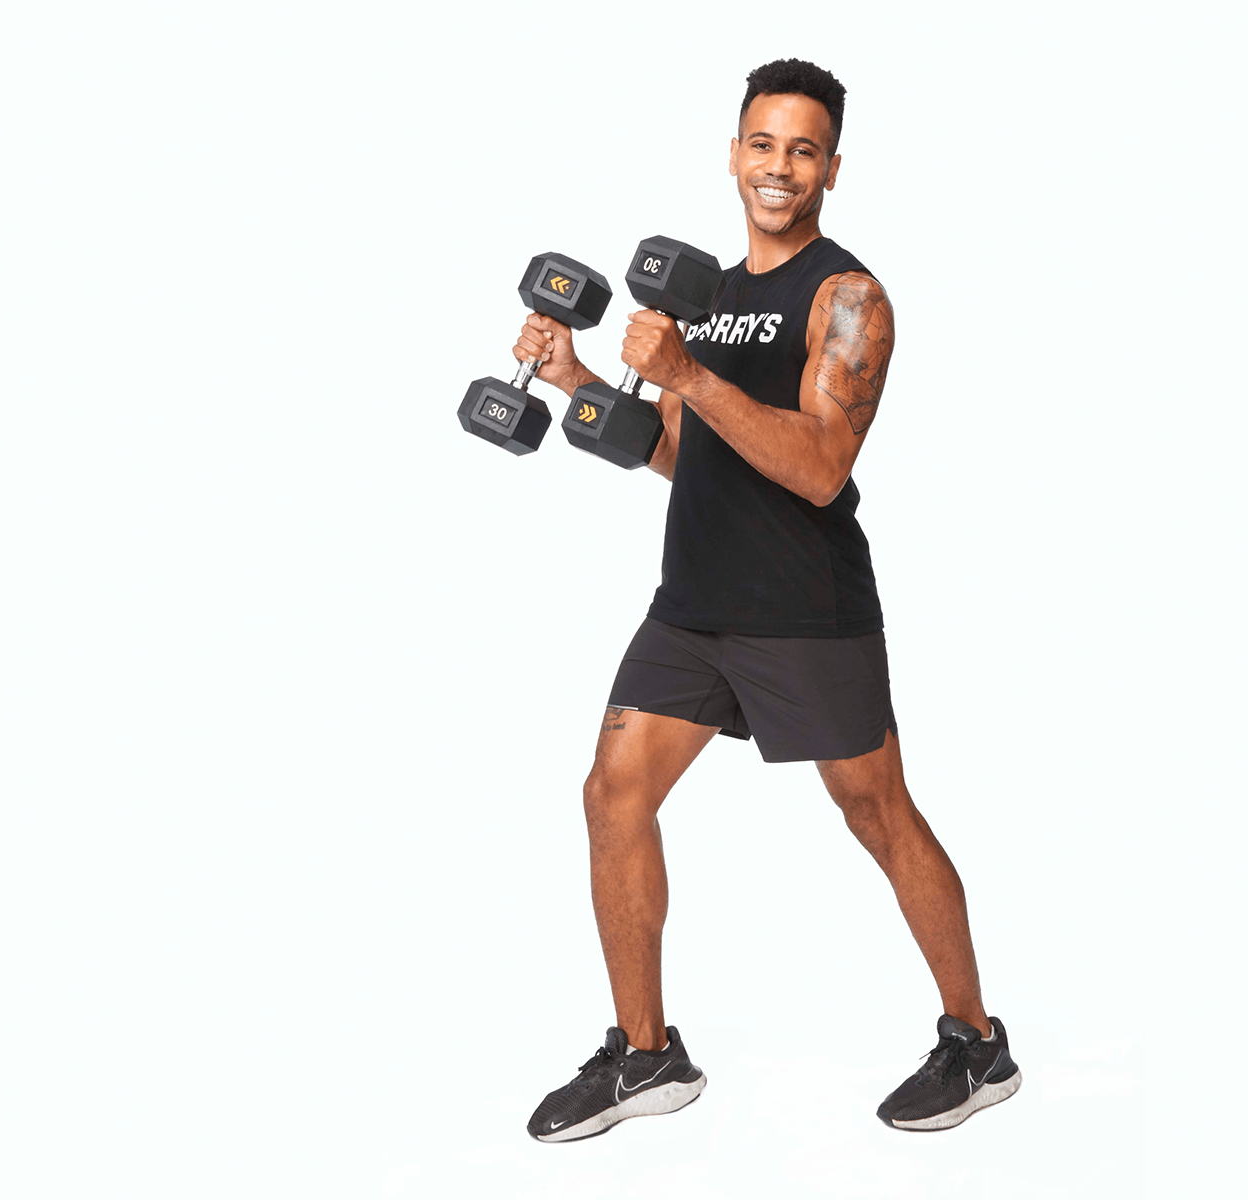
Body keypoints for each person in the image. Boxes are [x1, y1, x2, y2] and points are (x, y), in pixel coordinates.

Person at [510, 59, 1019, 1142]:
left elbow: (820, 465)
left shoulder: (845, 297)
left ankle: (975, 1044)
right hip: (691, 606)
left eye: (800, 149)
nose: (776, 168)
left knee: (877, 813)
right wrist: (579, 385)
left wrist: (688, 374)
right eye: (759, 144)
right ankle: (644, 1057)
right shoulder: (715, 294)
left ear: (831, 166)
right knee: (610, 795)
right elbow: (692, 456)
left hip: (804, 608)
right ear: (732, 153)